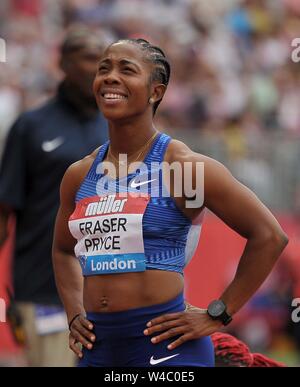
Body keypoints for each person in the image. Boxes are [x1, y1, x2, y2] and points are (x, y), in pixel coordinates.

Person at [52, 38, 288, 367]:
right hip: (98, 349)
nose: (110, 77)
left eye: (127, 70)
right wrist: (75, 311)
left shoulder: (182, 167)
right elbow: (63, 250)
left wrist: (219, 313)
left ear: (156, 92)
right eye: (103, 68)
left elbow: (269, 235)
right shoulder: (79, 175)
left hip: (168, 349)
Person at [0, 28, 108, 367]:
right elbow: (4, 211)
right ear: (63, 62)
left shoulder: (116, 128)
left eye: (103, 62)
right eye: (88, 57)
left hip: (108, 291)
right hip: (45, 290)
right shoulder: (32, 126)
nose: (97, 69)